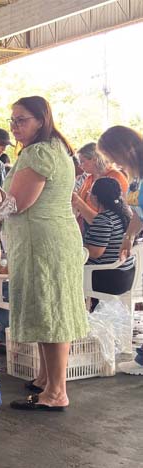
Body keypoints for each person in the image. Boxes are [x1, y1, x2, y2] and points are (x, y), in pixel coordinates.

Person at [2, 96, 88, 410]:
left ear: (41, 120)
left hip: (45, 243)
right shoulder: (53, 149)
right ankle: (44, 379)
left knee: (51, 312)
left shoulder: (39, 152)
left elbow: (17, 203)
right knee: (45, 309)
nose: (14, 127)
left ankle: (56, 392)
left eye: (21, 120)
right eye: (12, 120)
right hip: (48, 240)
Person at [97, 125, 143, 376]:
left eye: (113, 155)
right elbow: (138, 213)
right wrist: (129, 236)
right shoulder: (135, 177)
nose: (113, 162)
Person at [83, 177, 135, 302]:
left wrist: (79, 245)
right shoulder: (125, 214)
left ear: (95, 197)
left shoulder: (104, 219)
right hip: (127, 274)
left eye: (90, 192)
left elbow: (95, 253)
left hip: (109, 278)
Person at [72, 142, 128, 227]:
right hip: (85, 225)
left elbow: (118, 212)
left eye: (82, 161)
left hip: (105, 228)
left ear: (94, 159)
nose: (80, 165)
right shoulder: (89, 178)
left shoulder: (115, 177)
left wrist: (78, 201)